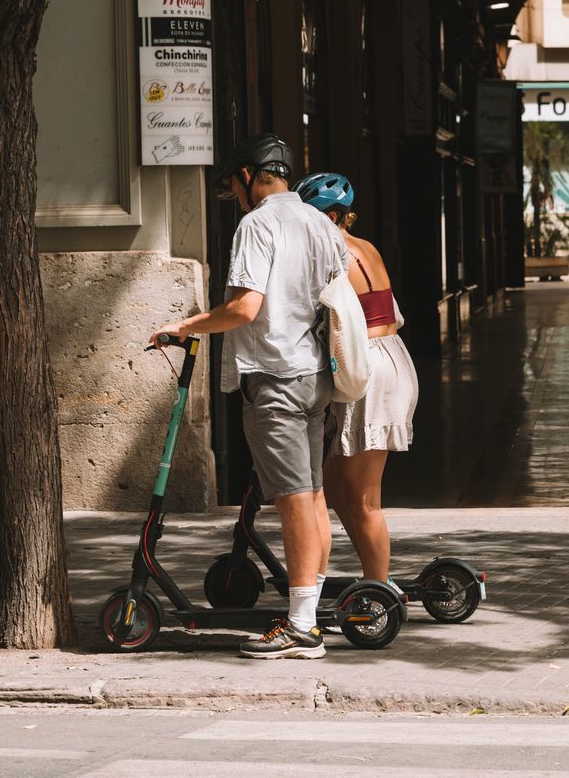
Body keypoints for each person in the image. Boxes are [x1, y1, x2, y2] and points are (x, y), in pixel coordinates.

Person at [150, 135, 348, 659]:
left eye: (235, 184)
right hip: (312, 374)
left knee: (293, 500)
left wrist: (185, 325)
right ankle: (308, 609)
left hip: (275, 375)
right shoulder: (316, 222)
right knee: (312, 495)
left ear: (248, 176)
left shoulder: (257, 223)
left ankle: (301, 626)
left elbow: (243, 308)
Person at [292, 172, 418, 585]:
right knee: (330, 484)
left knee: (364, 499)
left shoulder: (329, 254)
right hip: (391, 358)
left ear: (329, 216)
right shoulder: (367, 247)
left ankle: (380, 589)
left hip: (370, 370)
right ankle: (329, 578)